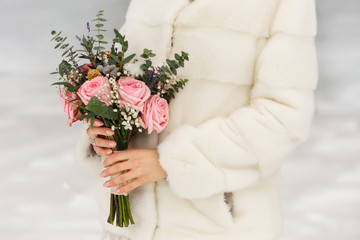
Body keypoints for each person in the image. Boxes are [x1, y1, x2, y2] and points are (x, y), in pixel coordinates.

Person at [76, 0, 318, 239]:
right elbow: (124, 76)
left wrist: (173, 162)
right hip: (130, 224)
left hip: (213, 224)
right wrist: (105, 129)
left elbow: (283, 116)